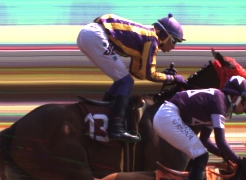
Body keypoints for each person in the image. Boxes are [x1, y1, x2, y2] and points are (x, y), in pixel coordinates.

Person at [149, 76, 246, 180]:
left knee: (200, 153)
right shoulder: (219, 103)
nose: (245, 107)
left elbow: (205, 140)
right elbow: (220, 141)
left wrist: (224, 155)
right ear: (235, 97)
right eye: (245, 100)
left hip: (166, 116)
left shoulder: (218, 101)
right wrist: (237, 160)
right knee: (201, 155)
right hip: (168, 116)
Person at [76, 14, 189, 143]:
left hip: (88, 34)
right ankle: (116, 127)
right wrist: (172, 78)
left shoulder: (145, 38)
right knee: (126, 81)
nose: (173, 47)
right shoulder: (152, 39)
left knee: (123, 79)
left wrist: (164, 76)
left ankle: (105, 112)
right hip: (95, 35)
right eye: (173, 41)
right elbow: (149, 74)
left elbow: (138, 72)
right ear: (163, 35)